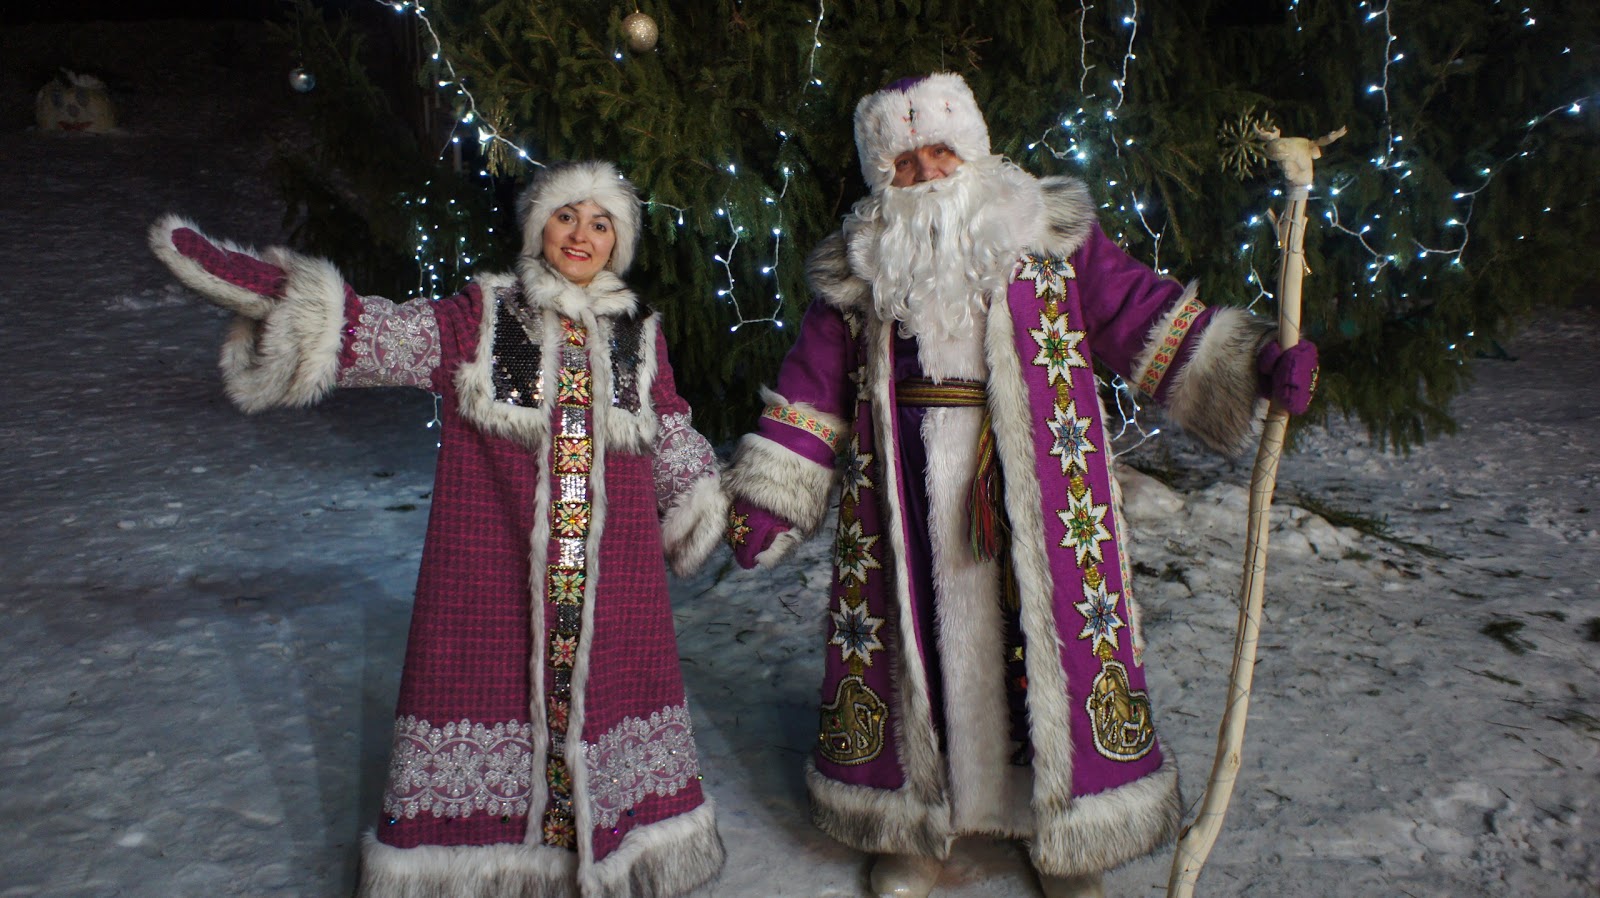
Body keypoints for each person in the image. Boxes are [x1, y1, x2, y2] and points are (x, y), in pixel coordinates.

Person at [721, 74, 1318, 898]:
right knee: (912, 644)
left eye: (940, 152)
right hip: (904, 494)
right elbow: (812, 388)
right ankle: (915, 828)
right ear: (881, 176)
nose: (927, 173)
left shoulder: (1050, 236)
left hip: (1039, 484)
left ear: (971, 150)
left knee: (1049, 640)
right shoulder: (859, 270)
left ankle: (1060, 834)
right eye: (904, 161)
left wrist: (1251, 366)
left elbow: (1141, 316)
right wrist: (769, 495)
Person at [148, 161, 729, 898]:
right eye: (565, 217)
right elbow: (373, 332)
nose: (581, 234)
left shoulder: (638, 336)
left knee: (610, 708)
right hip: (494, 568)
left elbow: (669, 419)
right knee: (488, 692)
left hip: (616, 586)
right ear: (538, 228)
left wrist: (703, 503)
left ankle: (616, 851)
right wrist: (283, 297)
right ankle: (496, 870)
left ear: (618, 243)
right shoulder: (482, 319)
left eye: (601, 222)